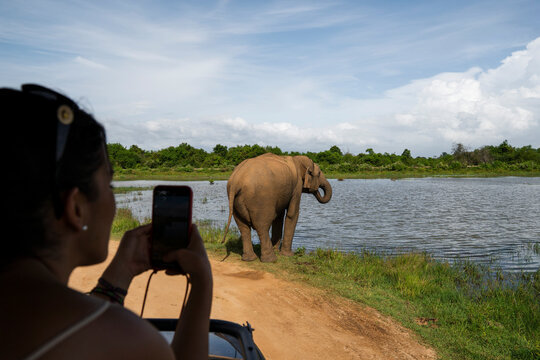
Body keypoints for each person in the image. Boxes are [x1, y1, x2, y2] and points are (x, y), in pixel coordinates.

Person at [0, 84, 213, 359]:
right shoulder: (128, 341)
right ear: (76, 209)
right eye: (110, 184)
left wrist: (119, 274)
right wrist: (203, 282)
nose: (112, 199)